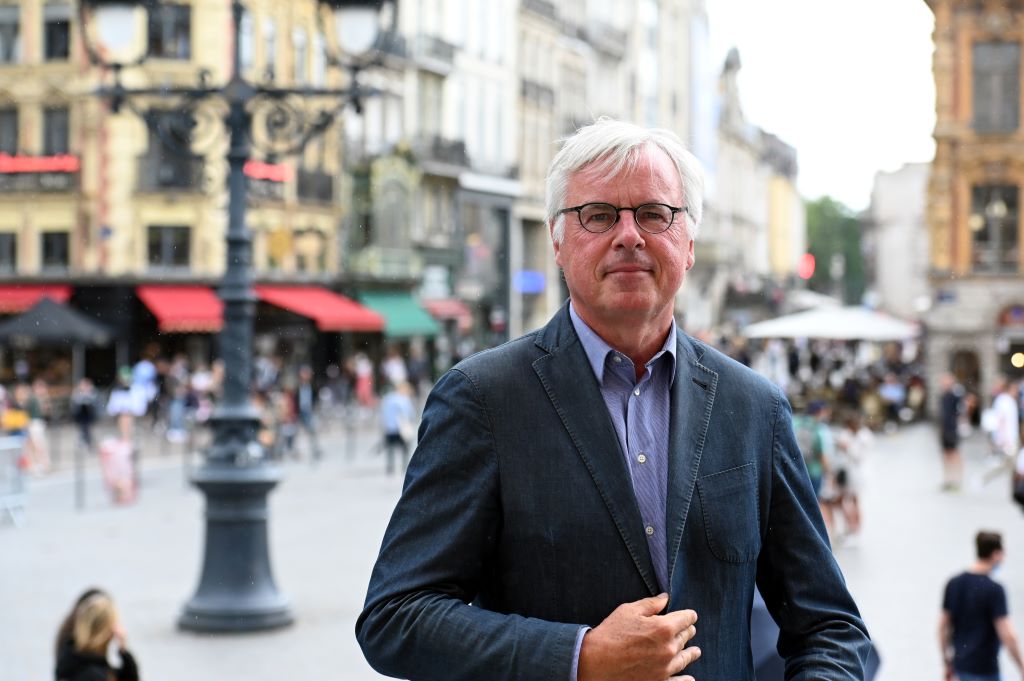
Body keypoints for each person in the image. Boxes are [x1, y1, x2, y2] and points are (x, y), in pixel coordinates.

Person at [356, 119, 870, 680]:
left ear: (689, 244)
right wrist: (579, 657)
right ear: (557, 241)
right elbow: (395, 616)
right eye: (598, 216)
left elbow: (830, 629)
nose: (629, 234)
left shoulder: (752, 407)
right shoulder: (483, 399)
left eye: (654, 214)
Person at [939, 531, 1024, 681]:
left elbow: (943, 627)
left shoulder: (954, 583)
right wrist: (1021, 666)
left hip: (960, 667)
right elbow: (1006, 633)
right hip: (985, 670)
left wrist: (947, 663)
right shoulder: (994, 589)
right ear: (996, 554)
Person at [54, 589, 140, 681]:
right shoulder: (94, 674)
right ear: (109, 632)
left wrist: (124, 652)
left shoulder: (72, 661)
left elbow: (127, 677)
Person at [378, 381, 416, 475]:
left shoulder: (388, 398)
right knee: (405, 449)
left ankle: (390, 469)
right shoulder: (404, 400)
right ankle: (404, 468)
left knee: (390, 450)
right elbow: (410, 414)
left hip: (389, 429)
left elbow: (382, 414)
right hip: (401, 429)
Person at [939, 372, 964, 491]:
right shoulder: (944, 396)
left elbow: (961, 410)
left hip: (953, 429)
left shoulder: (955, 395)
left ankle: (957, 479)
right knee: (946, 455)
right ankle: (948, 479)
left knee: (954, 454)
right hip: (945, 429)